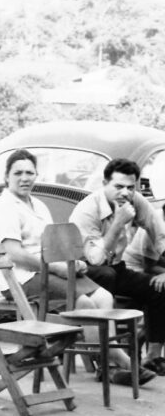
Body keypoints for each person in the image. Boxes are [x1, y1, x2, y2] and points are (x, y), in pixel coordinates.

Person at [0, 149, 150, 386]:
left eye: (30, 172)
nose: (25, 178)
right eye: (18, 173)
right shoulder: (5, 206)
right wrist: (55, 268)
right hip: (21, 277)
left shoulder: (38, 205)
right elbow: (15, 254)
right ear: (6, 176)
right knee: (83, 304)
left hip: (48, 271)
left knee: (103, 296)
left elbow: (52, 246)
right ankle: (120, 362)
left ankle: (108, 366)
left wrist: (72, 262)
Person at [70, 157, 165, 384]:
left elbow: (159, 235)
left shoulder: (136, 200)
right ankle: (107, 364)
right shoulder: (87, 210)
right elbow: (95, 258)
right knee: (107, 275)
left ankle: (152, 356)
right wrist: (118, 222)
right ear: (104, 183)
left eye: (130, 187)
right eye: (119, 186)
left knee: (158, 288)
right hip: (84, 271)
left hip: (116, 268)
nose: (125, 193)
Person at [121, 203, 165, 375]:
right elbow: (149, 266)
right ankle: (153, 355)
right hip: (135, 270)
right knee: (159, 290)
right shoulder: (154, 227)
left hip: (157, 270)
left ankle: (149, 350)